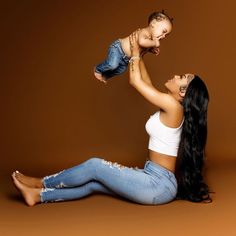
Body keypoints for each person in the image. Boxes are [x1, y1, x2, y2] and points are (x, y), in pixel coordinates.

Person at [11, 31, 212, 207]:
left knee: (94, 165)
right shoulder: (170, 105)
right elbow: (146, 83)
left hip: (157, 185)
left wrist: (133, 53)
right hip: (153, 179)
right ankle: (37, 195)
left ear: (184, 92)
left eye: (181, 77)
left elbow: (136, 82)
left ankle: (40, 182)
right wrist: (140, 53)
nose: (176, 75)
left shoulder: (173, 108)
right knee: (94, 184)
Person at [94, 11, 173, 84]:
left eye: (166, 35)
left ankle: (105, 76)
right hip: (118, 49)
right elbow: (141, 42)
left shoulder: (150, 40)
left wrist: (151, 50)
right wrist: (155, 43)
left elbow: (143, 47)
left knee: (120, 70)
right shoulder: (144, 32)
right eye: (163, 31)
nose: (163, 36)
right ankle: (98, 69)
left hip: (125, 59)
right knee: (112, 65)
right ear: (153, 24)